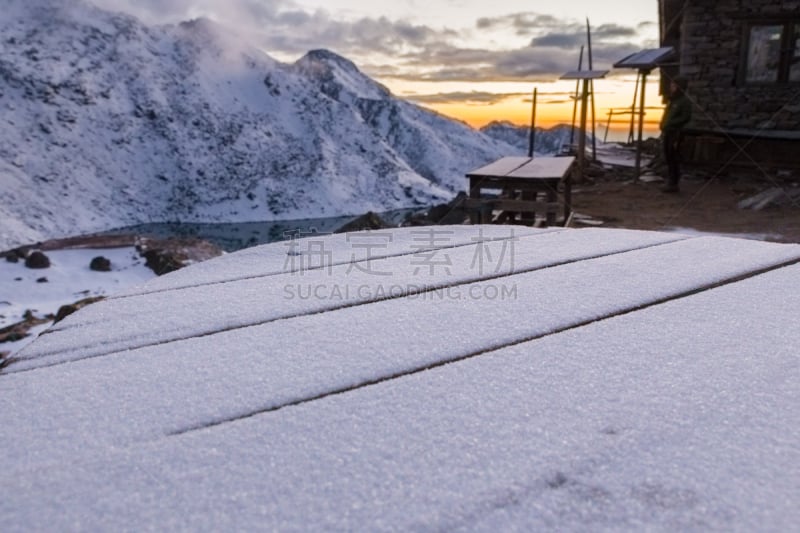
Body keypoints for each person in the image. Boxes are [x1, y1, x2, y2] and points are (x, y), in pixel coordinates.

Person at [659, 76, 692, 193]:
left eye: (673, 85)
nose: (670, 87)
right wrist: (664, 125)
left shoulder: (684, 101)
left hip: (676, 133)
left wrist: (671, 124)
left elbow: (686, 117)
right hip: (668, 132)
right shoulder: (673, 100)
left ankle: (674, 183)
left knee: (674, 157)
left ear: (679, 87)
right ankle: (670, 181)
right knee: (668, 156)